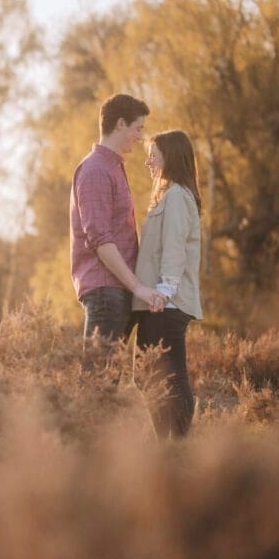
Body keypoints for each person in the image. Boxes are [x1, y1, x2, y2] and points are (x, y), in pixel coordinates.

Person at [70, 93, 163, 365]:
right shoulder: (96, 171)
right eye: (138, 129)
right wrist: (138, 287)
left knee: (107, 390)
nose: (140, 136)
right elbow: (100, 239)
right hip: (105, 293)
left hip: (116, 291)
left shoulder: (112, 168)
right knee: (97, 389)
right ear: (120, 124)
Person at [132, 129, 203, 438]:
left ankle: (177, 444)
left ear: (169, 158)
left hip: (168, 302)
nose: (148, 161)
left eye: (153, 155)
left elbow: (174, 247)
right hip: (158, 301)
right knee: (146, 374)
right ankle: (167, 442)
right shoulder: (168, 195)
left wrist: (164, 292)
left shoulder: (175, 196)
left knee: (170, 376)